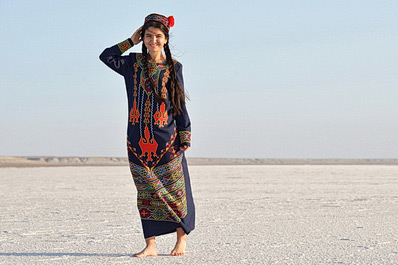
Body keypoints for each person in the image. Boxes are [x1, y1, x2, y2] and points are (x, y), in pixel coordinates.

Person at [99, 13, 195, 257]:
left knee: (176, 191)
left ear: (166, 40)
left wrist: (185, 133)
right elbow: (106, 56)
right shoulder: (132, 64)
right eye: (149, 36)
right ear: (143, 38)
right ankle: (150, 244)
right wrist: (130, 41)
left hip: (168, 140)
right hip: (136, 140)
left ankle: (181, 239)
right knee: (146, 193)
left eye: (158, 36)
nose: (153, 41)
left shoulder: (174, 68)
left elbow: (179, 103)